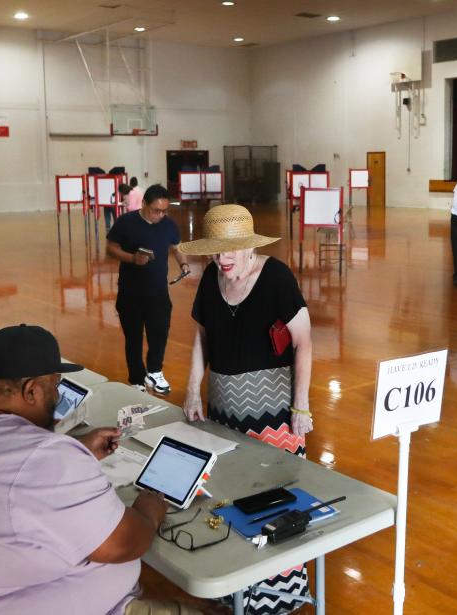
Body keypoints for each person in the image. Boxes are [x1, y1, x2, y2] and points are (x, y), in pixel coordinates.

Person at [0, 325, 194, 614]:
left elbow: (3, 485)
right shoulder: (42, 458)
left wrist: (75, 450)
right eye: (54, 385)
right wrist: (149, 508)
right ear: (31, 391)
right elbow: (126, 543)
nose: (57, 396)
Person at [179, 204, 313, 613]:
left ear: (249, 247)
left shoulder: (275, 278)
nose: (223, 260)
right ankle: (234, 590)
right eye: (216, 253)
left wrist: (301, 405)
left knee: (274, 500)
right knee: (228, 498)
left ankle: (277, 595)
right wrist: (191, 389)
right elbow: (202, 337)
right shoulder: (210, 281)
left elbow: (303, 341)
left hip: (272, 411)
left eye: (230, 252)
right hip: (222, 410)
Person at [106, 184, 189, 394]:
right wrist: (132, 258)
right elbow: (111, 248)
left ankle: (154, 371)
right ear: (144, 204)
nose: (160, 215)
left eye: (164, 211)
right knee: (133, 338)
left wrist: (184, 264)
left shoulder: (168, 225)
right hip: (130, 293)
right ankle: (136, 379)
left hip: (158, 293)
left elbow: (176, 247)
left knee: (159, 335)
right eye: (156, 210)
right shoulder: (126, 222)